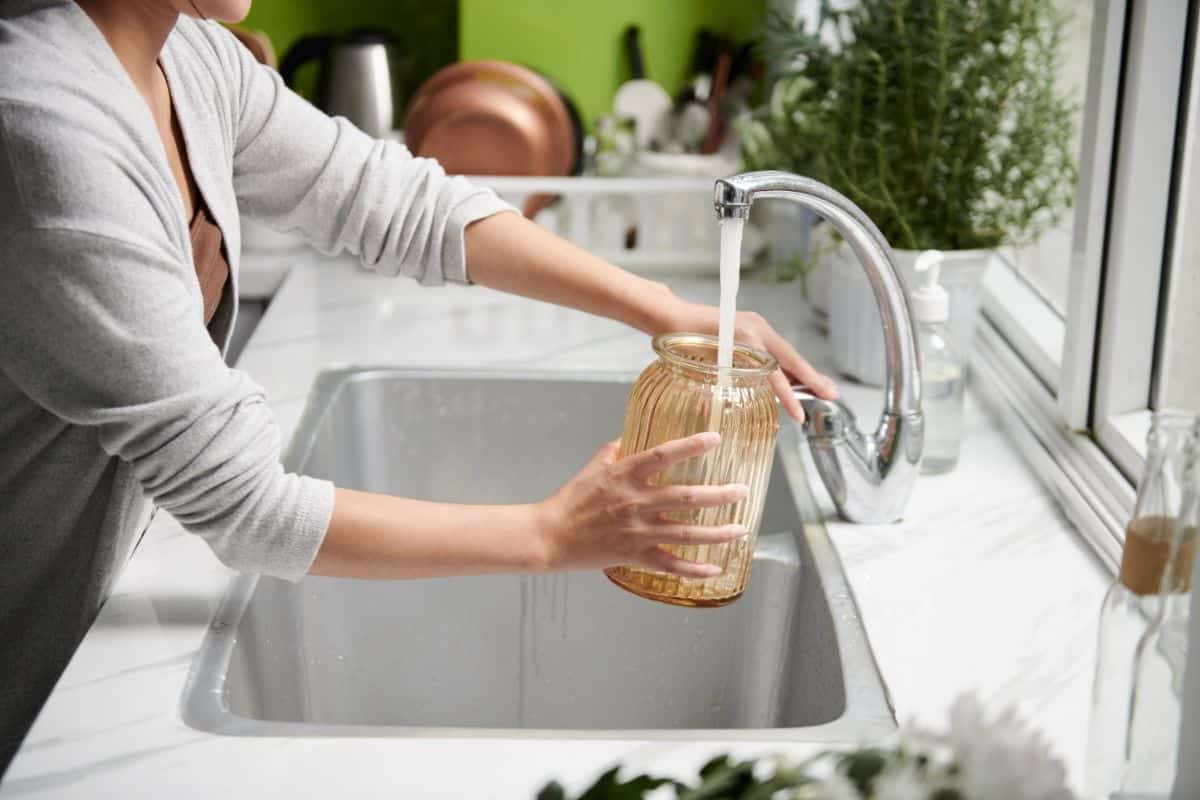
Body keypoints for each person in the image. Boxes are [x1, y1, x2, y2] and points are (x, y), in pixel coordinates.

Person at [0, 0, 838, 770]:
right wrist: (551, 534)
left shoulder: (187, 59)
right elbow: (249, 509)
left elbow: (394, 202)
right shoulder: (47, 130)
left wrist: (661, 309)